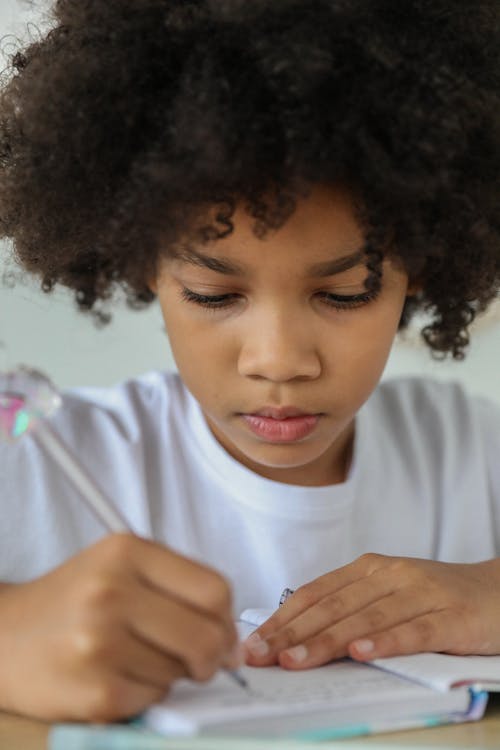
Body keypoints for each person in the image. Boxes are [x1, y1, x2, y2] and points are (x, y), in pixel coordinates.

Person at [0, 0, 499, 724]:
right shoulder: (39, 465)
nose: (279, 361)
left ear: (419, 266)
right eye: (212, 293)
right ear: (145, 263)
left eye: (345, 292)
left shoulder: (469, 454)